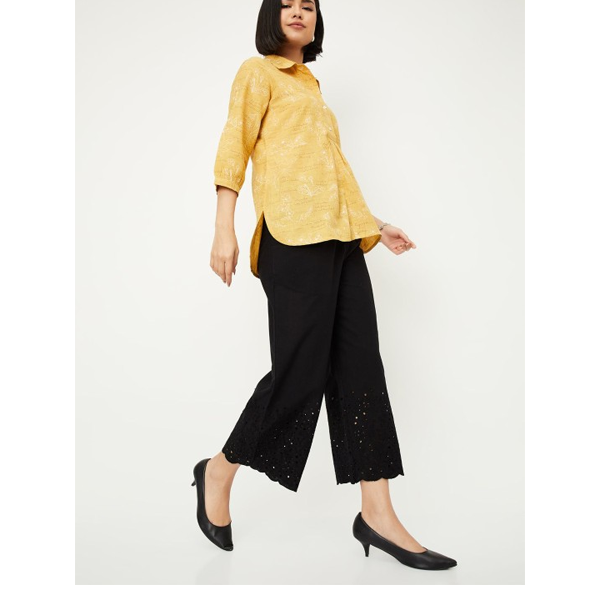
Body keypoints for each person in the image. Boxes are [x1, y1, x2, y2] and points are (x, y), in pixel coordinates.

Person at [192, 0, 457, 571]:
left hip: (342, 240)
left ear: (316, 21)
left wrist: (374, 225)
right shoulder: (257, 72)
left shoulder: (311, 87)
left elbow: (329, 171)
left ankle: (377, 513)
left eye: (308, 6)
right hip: (291, 242)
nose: (298, 12)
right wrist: (224, 228)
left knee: (362, 370)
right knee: (299, 375)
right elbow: (233, 147)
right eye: (287, 4)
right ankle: (218, 470)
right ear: (271, 15)